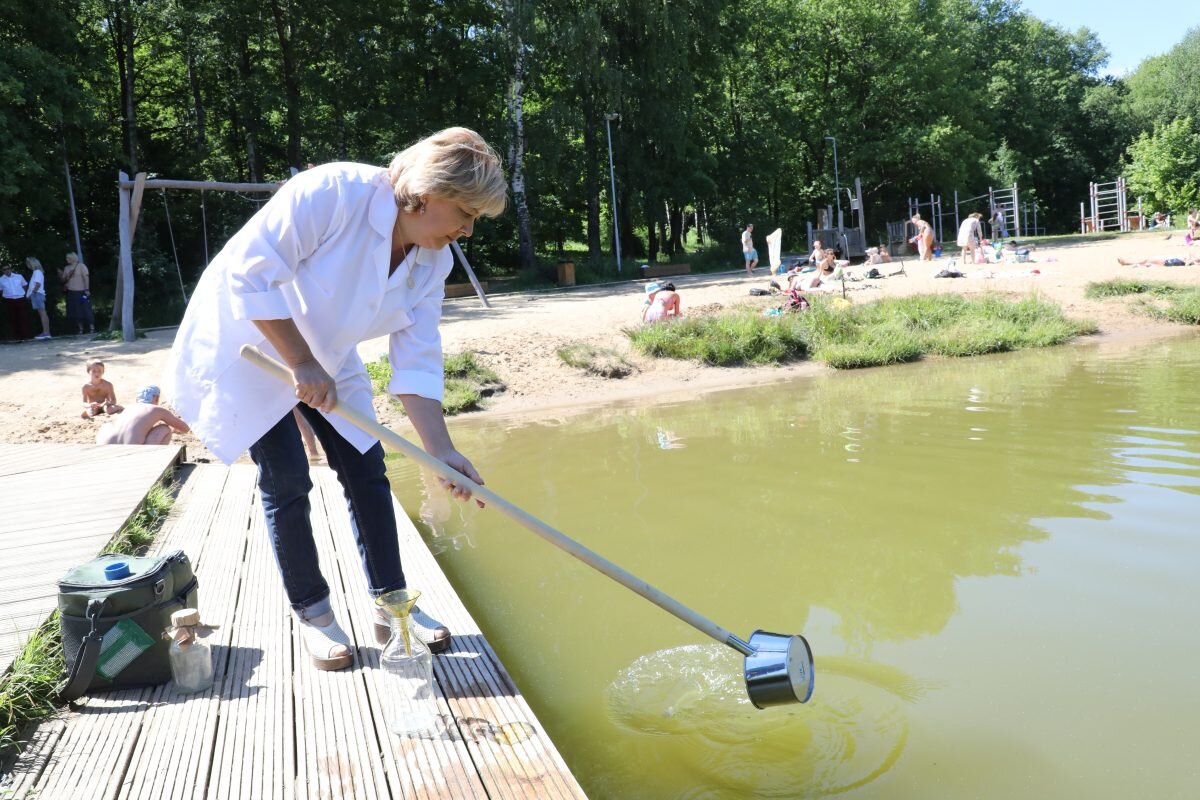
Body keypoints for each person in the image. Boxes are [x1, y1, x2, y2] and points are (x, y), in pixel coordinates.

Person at [163, 127, 507, 672]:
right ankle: (314, 613)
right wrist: (299, 361)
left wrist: (440, 451)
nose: (468, 229)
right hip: (248, 345)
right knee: (287, 476)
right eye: (465, 212)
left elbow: (417, 357)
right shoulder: (333, 192)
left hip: (328, 353)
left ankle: (391, 603)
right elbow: (250, 273)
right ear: (425, 193)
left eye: (475, 219)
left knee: (366, 467)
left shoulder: (432, 261)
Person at [96, 385, 190, 445]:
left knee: (107, 425)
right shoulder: (157, 409)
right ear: (156, 398)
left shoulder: (129, 408)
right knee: (165, 429)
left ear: (137, 399)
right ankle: (155, 461)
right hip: (133, 449)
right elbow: (185, 428)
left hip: (107, 445)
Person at [60, 253, 95, 334]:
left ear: (73, 258)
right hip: (71, 293)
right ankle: (80, 329)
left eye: (68, 258)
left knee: (86, 309)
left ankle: (92, 328)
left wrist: (87, 289)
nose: (66, 259)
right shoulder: (66, 268)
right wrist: (66, 276)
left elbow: (86, 278)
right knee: (75, 311)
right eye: (66, 258)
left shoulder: (81, 266)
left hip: (82, 292)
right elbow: (63, 280)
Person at [0, 264, 31, 340]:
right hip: (9, 300)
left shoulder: (19, 276)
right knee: (12, 318)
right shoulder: (1, 279)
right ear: (2, 271)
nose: (7, 270)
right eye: (4, 269)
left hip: (20, 299)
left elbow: (25, 285)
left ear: (11, 269)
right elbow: (1, 290)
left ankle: (26, 336)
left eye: (8, 268)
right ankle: (17, 337)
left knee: (23, 317)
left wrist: (24, 294)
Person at [25, 257, 51, 340]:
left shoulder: (37, 272)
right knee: (41, 313)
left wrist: (32, 294)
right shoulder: (36, 272)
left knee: (42, 313)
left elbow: (37, 284)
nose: (27, 265)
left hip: (37, 294)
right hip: (37, 294)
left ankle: (46, 332)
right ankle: (46, 332)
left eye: (28, 263)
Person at [1117, 255, 1199, 267]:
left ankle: (1127, 263)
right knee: (1147, 261)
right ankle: (1127, 263)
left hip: (1168, 262)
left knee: (1147, 260)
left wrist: (1191, 259)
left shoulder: (1191, 262)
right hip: (1168, 262)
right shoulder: (1194, 261)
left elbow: (1187, 263)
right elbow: (1190, 254)